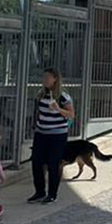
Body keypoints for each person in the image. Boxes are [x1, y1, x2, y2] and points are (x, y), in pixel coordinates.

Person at [29, 68, 75, 204]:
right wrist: (36, 125)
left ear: (55, 79)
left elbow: (71, 114)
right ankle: (39, 191)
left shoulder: (63, 96)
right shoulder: (40, 94)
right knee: (36, 162)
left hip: (57, 134)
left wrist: (58, 109)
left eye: (48, 78)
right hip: (41, 132)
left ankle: (52, 193)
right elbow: (37, 111)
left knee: (53, 164)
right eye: (44, 78)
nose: (45, 81)